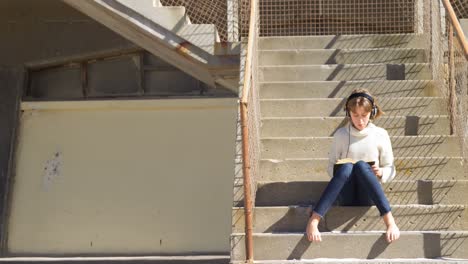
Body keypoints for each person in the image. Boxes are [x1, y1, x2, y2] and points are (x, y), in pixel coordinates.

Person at [306, 89, 400, 243]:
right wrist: (340, 172)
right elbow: (330, 166)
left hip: (368, 194)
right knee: (347, 166)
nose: (360, 120)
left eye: (364, 115)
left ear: (372, 112)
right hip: (345, 193)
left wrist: (381, 172)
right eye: (355, 115)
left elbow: (391, 168)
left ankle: (390, 223)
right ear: (348, 113)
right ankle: (314, 221)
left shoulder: (381, 134)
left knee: (362, 166)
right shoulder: (341, 135)